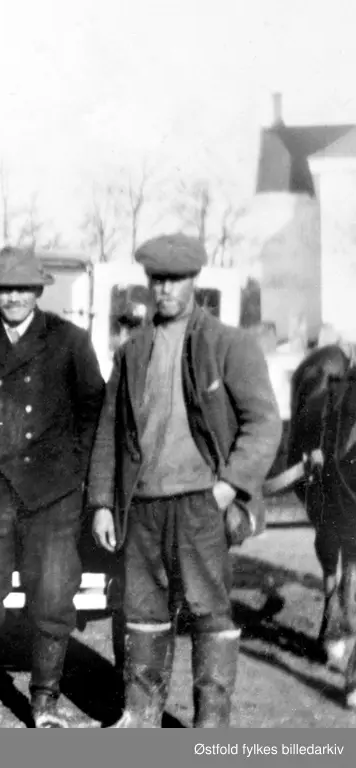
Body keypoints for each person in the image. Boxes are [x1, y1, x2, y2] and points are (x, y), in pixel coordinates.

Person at [89, 233, 282, 728]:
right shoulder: (133, 351)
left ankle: (210, 728)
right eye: (156, 279)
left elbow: (264, 423)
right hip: (143, 505)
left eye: (174, 279)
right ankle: (140, 716)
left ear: (194, 280)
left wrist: (228, 486)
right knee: (143, 611)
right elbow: (111, 432)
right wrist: (103, 504)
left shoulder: (228, 345)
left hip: (202, 504)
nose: (164, 288)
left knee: (209, 611)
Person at [0, 247, 105, 728]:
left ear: (39, 291)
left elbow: (92, 414)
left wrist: (70, 473)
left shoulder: (69, 341)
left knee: (54, 599)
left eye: (23, 288)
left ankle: (45, 704)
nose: (13, 297)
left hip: (50, 495)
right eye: (5, 288)